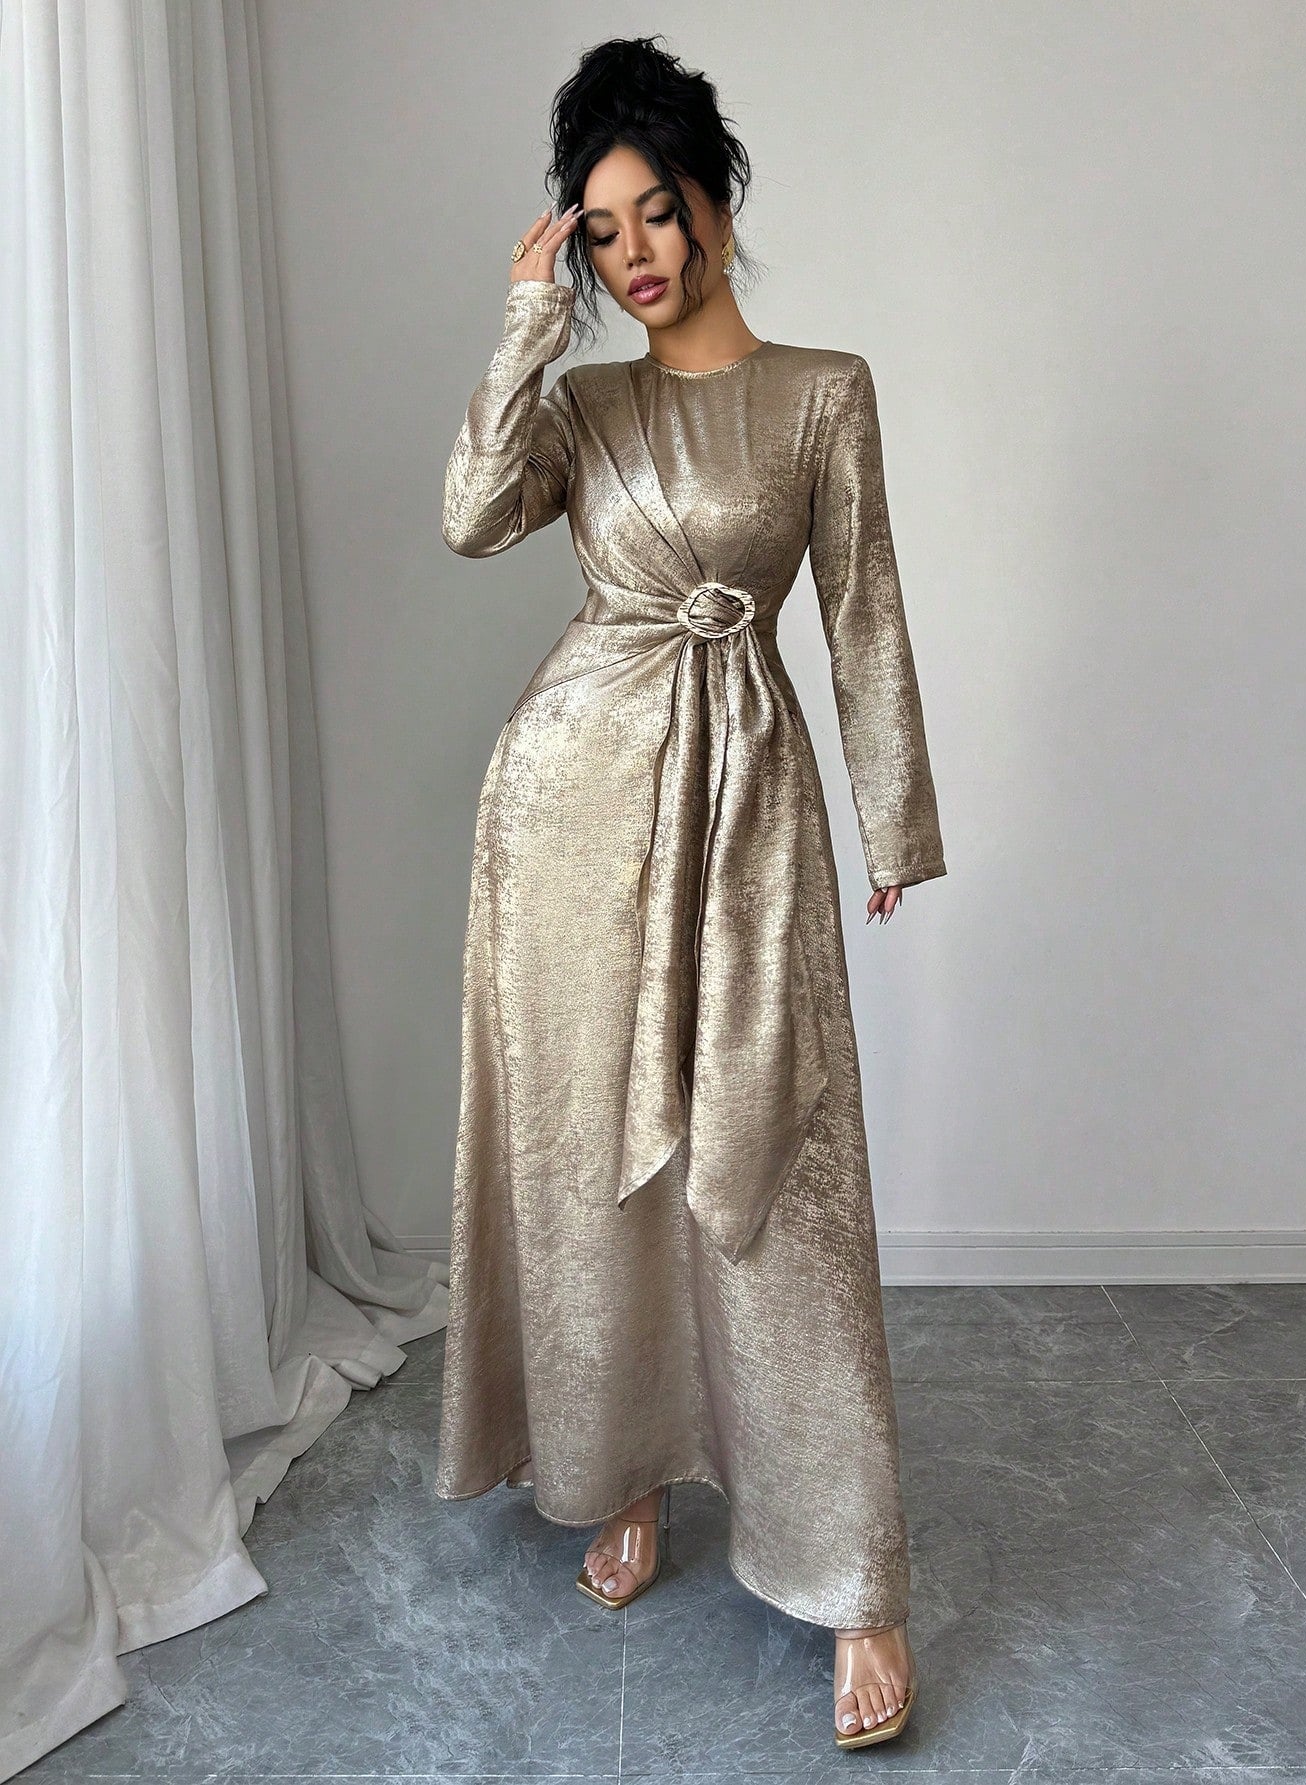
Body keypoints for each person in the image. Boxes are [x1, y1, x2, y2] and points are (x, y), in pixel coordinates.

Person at [433, 35, 946, 1751]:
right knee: (600, 1164)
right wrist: (527, 327)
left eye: (658, 209)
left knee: (778, 1169)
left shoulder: (824, 389)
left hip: (746, 802)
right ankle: (624, 1466)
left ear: (716, 199)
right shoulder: (585, 409)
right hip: (570, 810)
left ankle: (856, 1575)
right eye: (602, 232)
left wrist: (893, 819)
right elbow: (470, 517)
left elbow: (862, 606)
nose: (638, 252)